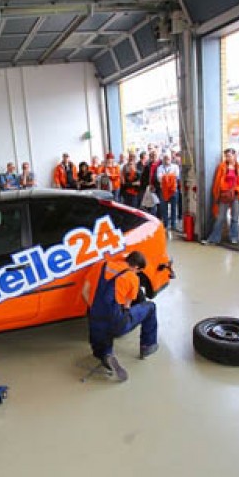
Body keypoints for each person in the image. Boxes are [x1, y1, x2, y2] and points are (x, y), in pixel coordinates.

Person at [86, 251, 158, 382]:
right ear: (136, 267)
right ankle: (148, 345)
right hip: (115, 323)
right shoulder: (132, 278)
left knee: (101, 335)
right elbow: (127, 306)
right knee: (150, 307)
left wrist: (94, 310)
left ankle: (106, 354)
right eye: (139, 271)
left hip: (94, 321)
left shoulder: (100, 265)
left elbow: (85, 291)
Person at [201, 148, 239, 245]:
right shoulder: (222, 167)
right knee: (220, 217)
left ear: (235, 156)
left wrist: (237, 189)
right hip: (224, 194)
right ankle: (215, 238)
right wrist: (217, 194)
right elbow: (217, 182)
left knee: (235, 217)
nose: (228, 158)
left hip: (235, 194)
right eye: (226, 156)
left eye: (229, 156)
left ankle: (234, 237)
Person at [155, 154, 180, 231]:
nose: (167, 160)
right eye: (165, 158)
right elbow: (159, 178)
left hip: (173, 190)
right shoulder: (160, 168)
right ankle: (165, 224)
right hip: (163, 191)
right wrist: (170, 177)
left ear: (170, 159)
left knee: (174, 208)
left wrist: (165, 177)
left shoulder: (175, 167)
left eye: (168, 158)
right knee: (164, 208)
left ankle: (173, 225)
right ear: (163, 159)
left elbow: (176, 176)